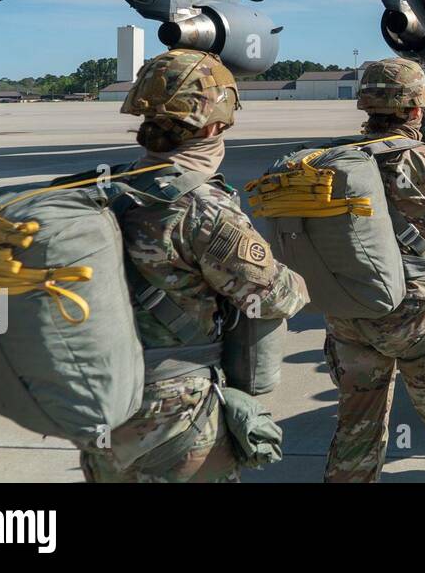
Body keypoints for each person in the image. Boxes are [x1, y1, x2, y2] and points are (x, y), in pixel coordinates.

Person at [83, 49, 309, 482]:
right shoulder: (200, 206)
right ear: (211, 125)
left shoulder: (104, 190)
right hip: (171, 405)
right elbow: (275, 295)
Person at [323, 58, 425, 483]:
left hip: (348, 312)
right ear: (416, 110)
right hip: (412, 312)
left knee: (357, 430)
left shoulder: (331, 159)